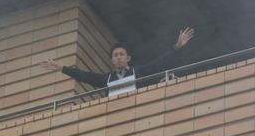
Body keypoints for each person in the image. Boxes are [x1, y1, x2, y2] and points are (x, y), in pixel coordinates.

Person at [40, 27, 195, 97]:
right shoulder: (106, 79)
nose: (119, 57)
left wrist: (177, 47)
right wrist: (61, 68)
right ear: (112, 61)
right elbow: (84, 76)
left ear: (128, 58)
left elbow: (158, 64)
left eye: (121, 54)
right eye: (116, 55)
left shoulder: (137, 72)